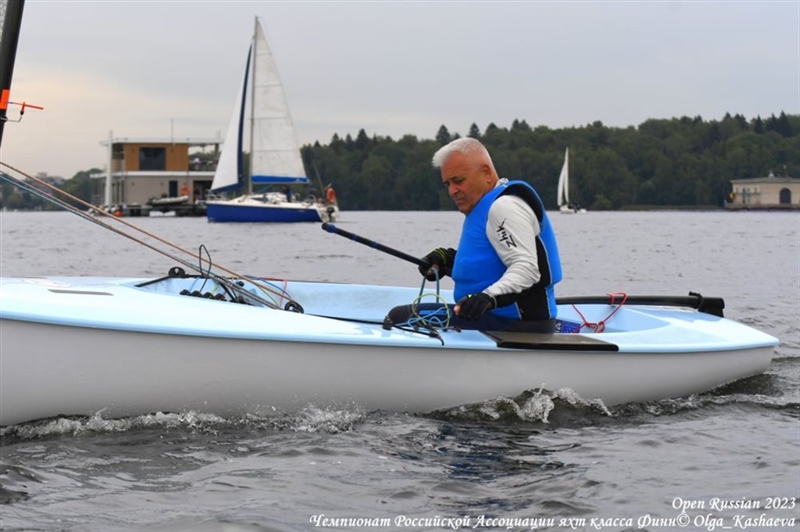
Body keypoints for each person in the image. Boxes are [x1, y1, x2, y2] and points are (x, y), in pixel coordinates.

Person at [387, 137, 562, 333]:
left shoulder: (504, 207)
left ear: (486, 173)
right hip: (495, 320)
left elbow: (527, 269)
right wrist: (446, 260)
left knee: (399, 317)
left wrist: (488, 297)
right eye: (447, 184)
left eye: (458, 181)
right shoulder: (488, 205)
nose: (452, 191)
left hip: (517, 326)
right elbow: (489, 265)